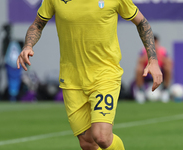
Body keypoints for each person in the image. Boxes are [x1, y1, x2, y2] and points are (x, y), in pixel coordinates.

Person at [17, 0, 163, 149]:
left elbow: (142, 23)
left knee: (102, 137)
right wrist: (28, 46)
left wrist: (152, 59)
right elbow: (37, 24)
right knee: (87, 143)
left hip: (105, 75)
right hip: (71, 80)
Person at [134, 35, 172, 103]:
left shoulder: (162, 51)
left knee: (168, 68)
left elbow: (169, 62)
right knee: (139, 68)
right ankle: (140, 91)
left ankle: (165, 90)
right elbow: (139, 61)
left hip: (159, 71)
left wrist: (158, 56)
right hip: (147, 71)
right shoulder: (144, 50)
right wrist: (149, 55)